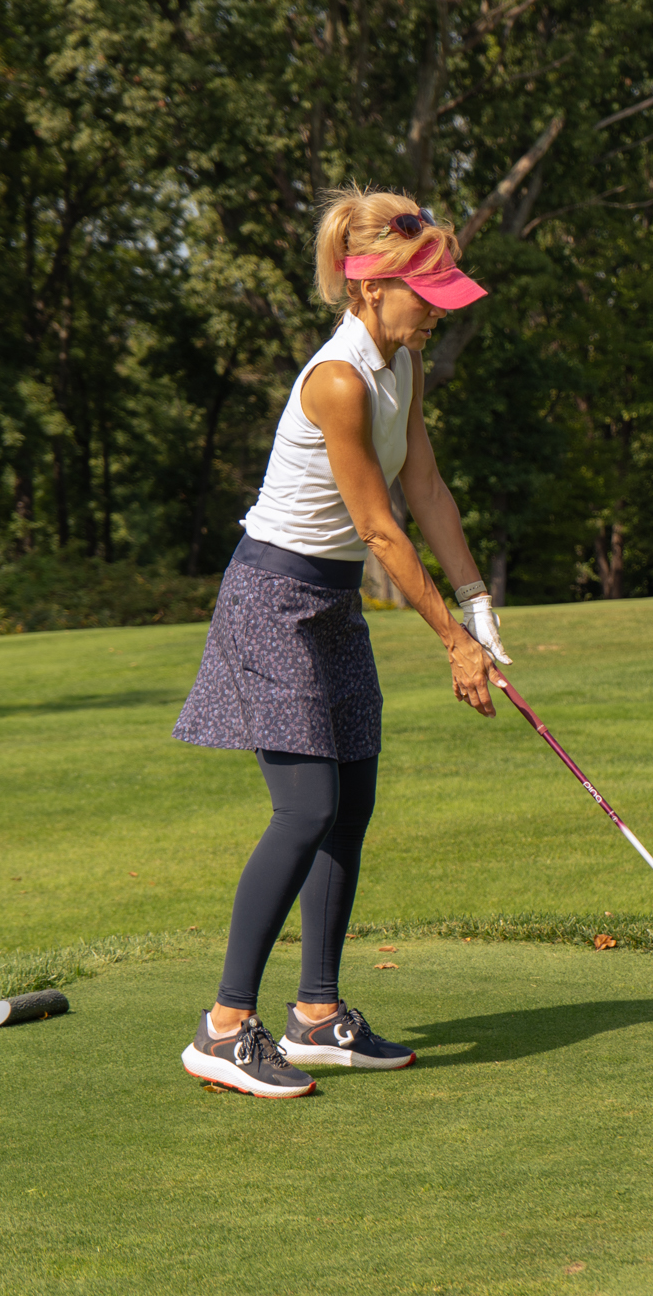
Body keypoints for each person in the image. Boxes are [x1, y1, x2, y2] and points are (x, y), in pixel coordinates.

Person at [172, 186, 510, 1098]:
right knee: (304, 809)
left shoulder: (403, 365)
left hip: (329, 607)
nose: (436, 311)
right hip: (272, 600)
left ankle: (317, 1014)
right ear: (369, 290)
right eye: (423, 293)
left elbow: (427, 488)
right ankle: (225, 1027)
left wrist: (478, 603)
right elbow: (380, 528)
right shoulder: (337, 379)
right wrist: (450, 642)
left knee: (349, 801)